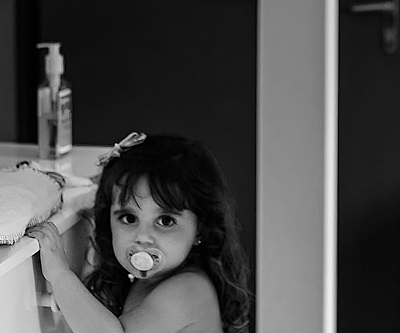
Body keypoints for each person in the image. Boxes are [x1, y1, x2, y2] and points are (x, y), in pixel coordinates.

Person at [27, 132, 252, 333]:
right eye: (129, 218)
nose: (142, 236)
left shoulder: (187, 291)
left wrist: (60, 276)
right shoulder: (149, 282)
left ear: (200, 229)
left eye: (165, 221)